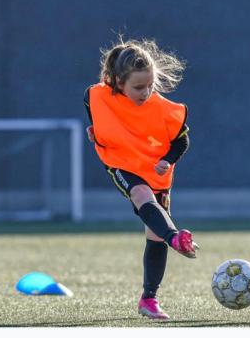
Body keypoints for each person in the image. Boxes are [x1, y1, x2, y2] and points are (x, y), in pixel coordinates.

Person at [83, 37, 199, 320]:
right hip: (121, 164)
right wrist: (97, 132)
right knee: (140, 195)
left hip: (156, 171)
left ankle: (149, 299)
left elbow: (182, 142)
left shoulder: (164, 109)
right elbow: (99, 116)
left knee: (154, 235)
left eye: (150, 85)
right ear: (117, 82)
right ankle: (175, 237)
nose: (145, 91)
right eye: (138, 87)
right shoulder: (96, 96)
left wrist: (166, 160)